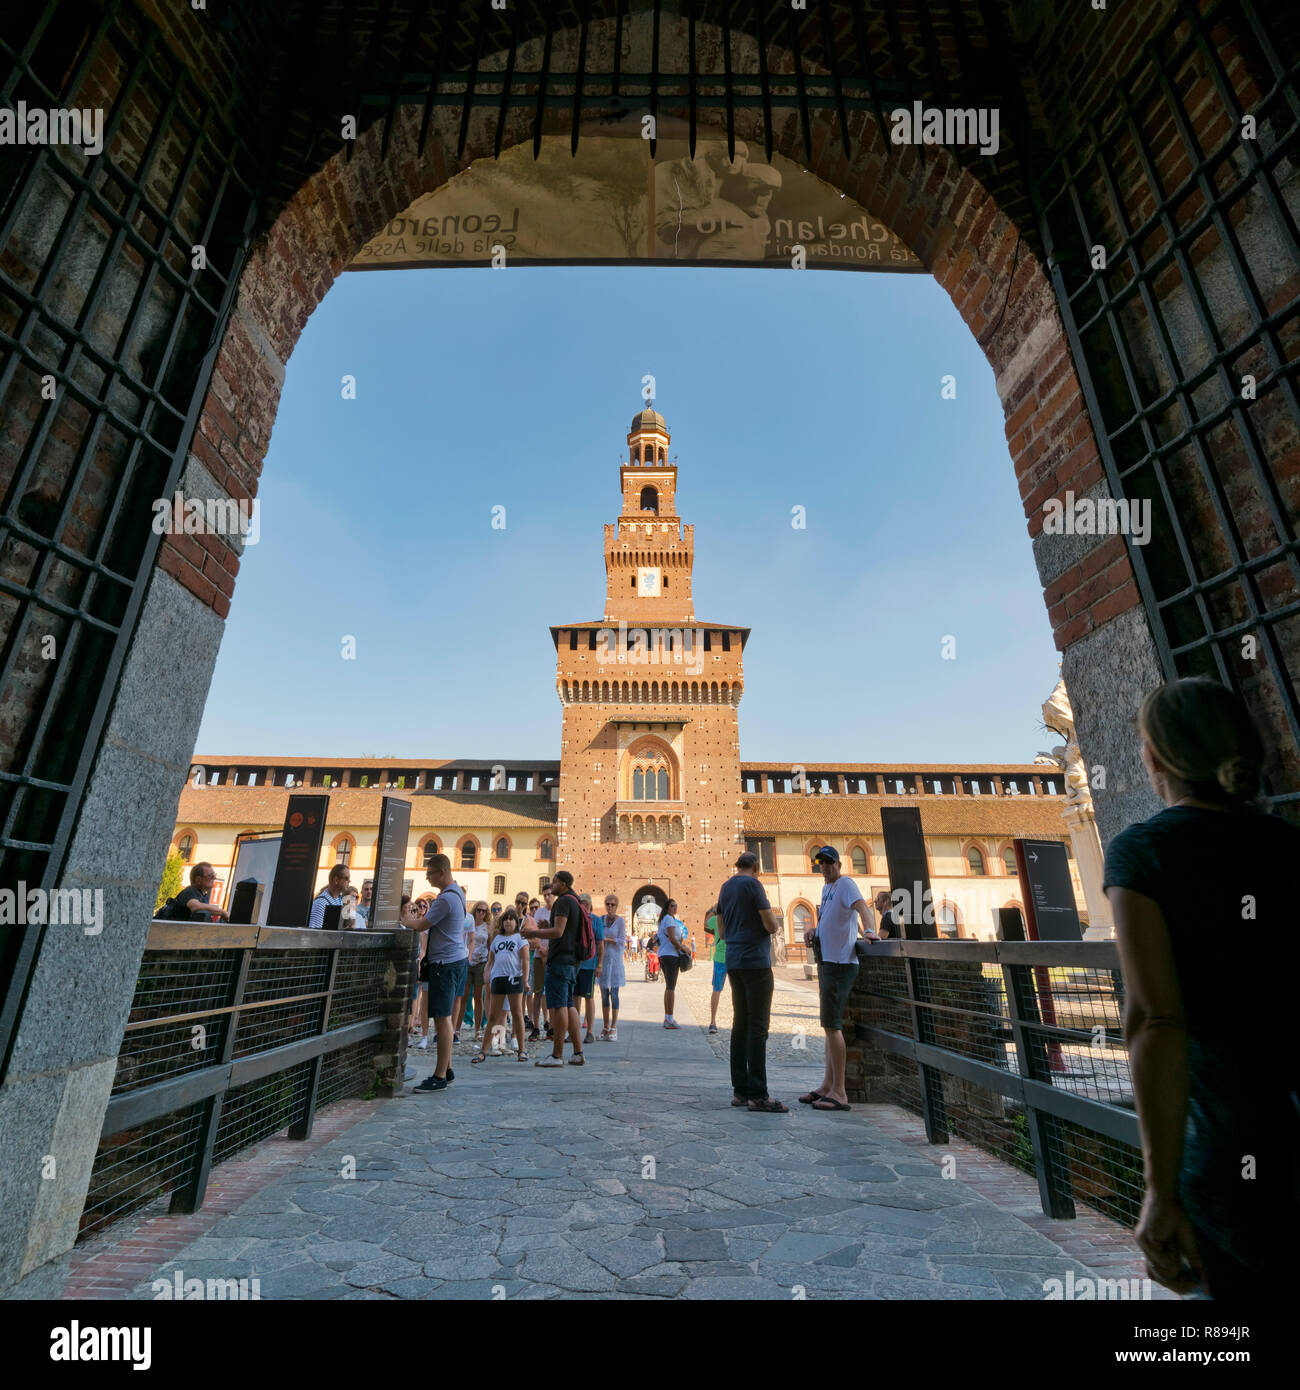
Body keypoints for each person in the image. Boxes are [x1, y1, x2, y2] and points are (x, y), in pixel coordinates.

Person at [1103, 677, 1300, 1298]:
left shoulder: (1144, 852)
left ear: (1153, 757)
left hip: (1226, 1138)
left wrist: (1159, 1192)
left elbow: (1157, 1020)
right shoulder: (1289, 844)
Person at [802, 847, 878, 1112]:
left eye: (828, 863)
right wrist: (814, 931)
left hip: (840, 964)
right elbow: (829, 919)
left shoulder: (846, 883)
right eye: (820, 863)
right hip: (827, 962)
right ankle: (827, 1085)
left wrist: (869, 930)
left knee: (833, 1026)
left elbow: (862, 907)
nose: (824, 867)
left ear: (839, 863)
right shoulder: (826, 889)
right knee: (829, 1026)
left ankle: (840, 1092)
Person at [717, 851, 786, 1112]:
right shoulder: (754, 885)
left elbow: (721, 931)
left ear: (738, 866)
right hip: (756, 963)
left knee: (740, 1025)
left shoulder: (725, 887)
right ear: (756, 866)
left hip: (734, 962)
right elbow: (769, 924)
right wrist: (772, 927)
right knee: (758, 1028)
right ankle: (758, 1095)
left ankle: (740, 1091)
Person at [400, 853, 467, 1092]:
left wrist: (406, 919)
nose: (427, 877)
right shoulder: (457, 893)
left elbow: (421, 925)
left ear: (441, 872)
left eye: (429, 873)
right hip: (455, 961)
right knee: (443, 1016)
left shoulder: (445, 900)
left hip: (445, 964)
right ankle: (446, 1069)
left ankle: (439, 1076)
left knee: (442, 1018)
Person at [522, 869, 586, 1067]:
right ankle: (577, 1053)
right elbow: (564, 928)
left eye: (555, 882)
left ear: (564, 884)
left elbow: (558, 932)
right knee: (568, 1004)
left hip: (560, 960)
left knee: (558, 1006)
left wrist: (535, 932)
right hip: (572, 961)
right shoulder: (575, 901)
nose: (552, 885)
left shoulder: (564, 901)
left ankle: (557, 1055)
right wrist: (547, 924)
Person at [474, 907, 530, 1062]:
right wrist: (487, 974)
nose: (508, 921)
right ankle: (484, 1050)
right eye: (505, 919)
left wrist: (525, 980)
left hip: (514, 978)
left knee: (517, 1014)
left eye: (511, 919)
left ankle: (522, 1049)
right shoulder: (498, 939)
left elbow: (525, 961)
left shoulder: (520, 938)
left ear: (516, 922)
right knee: (493, 1015)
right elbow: (490, 960)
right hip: (498, 978)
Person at [455, 901, 490, 1044]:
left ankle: (477, 1029)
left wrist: (488, 964)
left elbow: (490, 945)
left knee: (478, 997)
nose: (481, 913)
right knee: (463, 996)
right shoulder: (469, 922)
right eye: (479, 910)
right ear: (475, 910)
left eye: (484, 911)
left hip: (481, 962)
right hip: (467, 961)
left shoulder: (487, 927)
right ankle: (457, 1029)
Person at [575, 892, 603, 1043]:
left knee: (588, 997)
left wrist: (599, 964)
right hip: (575, 964)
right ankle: (574, 1030)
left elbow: (600, 943)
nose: (584, 906)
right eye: (581, 903)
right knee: (574, 998)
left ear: (590, 905)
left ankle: (590, 1031)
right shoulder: (575, 920)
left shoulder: (596, 921)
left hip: (589, 964)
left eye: (586, 903)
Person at [598, 893, 627, 1040]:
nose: (610, 907)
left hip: (615, 962)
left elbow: (622, 940)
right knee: (604, 995)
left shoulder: (620, 921)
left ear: (617, 906)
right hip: (603, 960)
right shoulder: (601, 920)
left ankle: (614, 1027)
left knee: (614, 994)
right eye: (608, 904)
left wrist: (607, 939)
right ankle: (605, 1026)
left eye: (613, 904)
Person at [527, 887, 555, 1041]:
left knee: (551, 992)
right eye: (545, 895)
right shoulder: (539, 913)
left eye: (550, 894)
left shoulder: (558, 911)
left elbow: (559, 934)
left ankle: (551, 1027)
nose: (547, 897)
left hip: (553, 956)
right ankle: (536, 1026)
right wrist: (541, 949)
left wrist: (549, 951)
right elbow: (534, 933)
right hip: (539, 955)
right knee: (537, 992)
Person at [164, 862, 230, 922]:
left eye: (214, 875)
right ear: (198, 880)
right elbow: (195, 906)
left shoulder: (202, 895)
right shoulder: (190, 891)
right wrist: (222, 912)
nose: (214, 878)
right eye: (211, 876)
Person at [655, 899, 686, 1029]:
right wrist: (685, 948)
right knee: (671, 988)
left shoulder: (665, 920)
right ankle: (670, 1018)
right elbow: (673, 939)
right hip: (670, 956)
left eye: (676, 905)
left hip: (665, 955)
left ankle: (668, 1017)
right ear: (667, 907)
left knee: (669, 987)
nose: (675, 907)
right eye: (672, 905)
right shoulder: (668, 919)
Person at [307, 863, 350, 929]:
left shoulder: (339, 899)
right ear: (336, 880)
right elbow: (314, 933)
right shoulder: (321, 903)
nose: (349, 881)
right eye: (346, 878)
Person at [705, 905, 725, 1034]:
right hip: (734, 956)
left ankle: (713, 1022)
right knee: (738, 991)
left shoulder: (715, 919)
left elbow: (706, 925)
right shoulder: (732, 917)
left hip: (719, 958)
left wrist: (711, 911)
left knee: (716, 990)